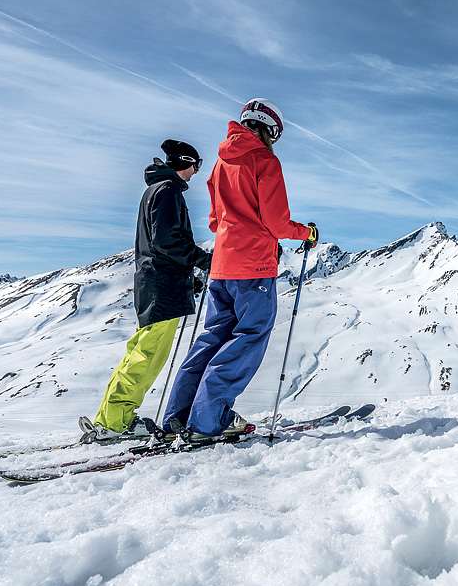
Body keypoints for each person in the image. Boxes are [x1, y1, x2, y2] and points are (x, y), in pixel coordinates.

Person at [161, 98, 318, 441]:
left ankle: (177, 417)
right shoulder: (264, 161)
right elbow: (276, 222)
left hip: (222, 265)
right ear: (269, 128)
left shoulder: (221, 162)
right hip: (254, 267)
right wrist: (306, 233)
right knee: (249, 336)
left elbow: (215, 220)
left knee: (212, 338)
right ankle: (208, 421)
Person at [82, 140, 212, 441]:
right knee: (148, 355)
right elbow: (168, 242)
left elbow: (160, 244)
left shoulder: (158, 189)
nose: (196, 171)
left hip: (158, 282)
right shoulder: (167, 191)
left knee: (141, 352)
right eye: (197, 164)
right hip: (162, 286)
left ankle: (111, 417)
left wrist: (187, 275)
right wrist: (205, 261)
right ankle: (116, 422)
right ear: (185, 162)